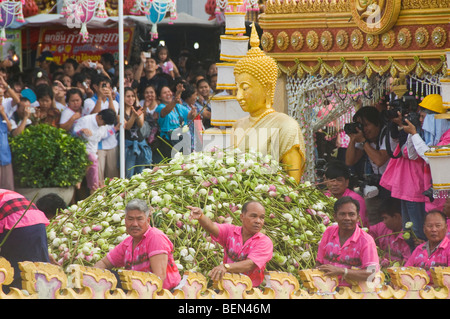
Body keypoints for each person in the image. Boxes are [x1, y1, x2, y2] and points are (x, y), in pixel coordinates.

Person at [231, 25, 306, 183]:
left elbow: (293, 183)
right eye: (236, 88)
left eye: (245, 88)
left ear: (266, 88)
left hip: (272, 201)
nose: (238, 96)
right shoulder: (238, 125)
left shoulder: (286, 126)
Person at [94, 198, 181, 290]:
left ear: (148, 221)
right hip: (138, 290)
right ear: (125, 221)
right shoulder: (128, 243)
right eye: (130, 219)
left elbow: (158, 279)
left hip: (163, 293)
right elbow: (104, 263)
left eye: (139, 219)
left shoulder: (155, 237)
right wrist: (92, 276)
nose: (135, 224)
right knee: (107, 277)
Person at [188, 201, 273, 287]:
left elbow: (250, 264)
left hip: (250, 289)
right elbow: (212, 227)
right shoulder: (230, 231)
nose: (258, 221)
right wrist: (201, 217)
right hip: (226, 285)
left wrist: (226, 267)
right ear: (242, 217)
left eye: (261, 218)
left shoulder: (264, 242)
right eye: (253, 216)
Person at [345, 105, 397, 225]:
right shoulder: (365, 139)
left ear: (377, 123)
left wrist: (363, 142)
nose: (364, 129)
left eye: (366, 125)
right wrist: (353, 139)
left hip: (393, 186)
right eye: (360, 126)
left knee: (390, 218)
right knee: (374, 218)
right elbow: (349, 161)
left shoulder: (388, 134)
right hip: (377, 184)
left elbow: (379, 160)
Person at [0, 189, 61, 289]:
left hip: (15, 225)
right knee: (38, 273)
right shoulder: (5, 192)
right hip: (37, 221)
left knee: (14, 276)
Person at [316, 196, 380, 287]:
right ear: (335, 217)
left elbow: (371, 275)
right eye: (342, 214)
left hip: (354, 292)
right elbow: (319, 262)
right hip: (327, 289)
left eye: (351, 214)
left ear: (358, 218)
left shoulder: (366, 241)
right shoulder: (329, 232)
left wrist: (342, 271)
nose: (347, 218)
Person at [82, 75, 119, 184]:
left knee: (112, 178)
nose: (106, 88)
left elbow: (113, 118)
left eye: (108, 86)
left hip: (112, 144)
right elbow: (94, 117)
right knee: (98, 178)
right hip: (96, 145)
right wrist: (99, 98)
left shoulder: (115, 102)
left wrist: (110, 98)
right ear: (95, 87)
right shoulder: (89, 101)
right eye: (103, 85)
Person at [73, 109, 117, 194]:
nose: (104, 125)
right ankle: (79, 179)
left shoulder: (103, 126)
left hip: (93, 153)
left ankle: (93, 201)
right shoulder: (85, 120)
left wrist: (115, 129)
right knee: (91, 159)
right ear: (100, 117)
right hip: (81, 151)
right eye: (104, 123)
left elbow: (104, 135)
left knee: (94, 184)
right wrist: (81, 131)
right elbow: (73, 134)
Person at [404, 210, 450, 284]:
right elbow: (405, 273)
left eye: (438, 226)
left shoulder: (448, 248)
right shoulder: (418, 249)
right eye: (429, 226)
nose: (434, 230)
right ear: (424, 229)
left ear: (446, 228)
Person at [154, 83, 197, 161]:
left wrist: (193, 112)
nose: (168, 94)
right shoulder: (160, 107)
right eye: (164, 93)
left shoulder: (178, 106)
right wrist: (175, 100)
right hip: (168, 144)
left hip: (182, 141)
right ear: (159, 97)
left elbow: (189, 115)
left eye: (169, 91)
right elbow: (165, 111)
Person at [324, 160, 368, 228]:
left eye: (339, 180)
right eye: (331, 180)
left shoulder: (356, 199)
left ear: (347, 182)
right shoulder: (323, 196)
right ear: (326, 181)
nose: (335, 184)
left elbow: (358, 225)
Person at [368, 197, 411, 264]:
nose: (384, 222)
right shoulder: (382, 227)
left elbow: (407, 263)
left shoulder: (408, 237)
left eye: (385, 218)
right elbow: (368, 234)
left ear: (396, 217)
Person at [123, 87, 152, 178]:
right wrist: (133, 116)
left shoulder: (139, 108)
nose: (131, 98)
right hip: (128, 146)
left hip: (140, 143)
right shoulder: (120, 111)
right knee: (128, 173)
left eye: (133, 96)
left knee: (140, 173)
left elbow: (140, 124)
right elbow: (127, 127)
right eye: (128, 96)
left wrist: (137, 115)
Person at [0, 103, 13, 190]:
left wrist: (3, 114)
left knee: (7, 190)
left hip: (5, 157)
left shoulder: (3, 114)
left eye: (1, 96)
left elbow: (10, 128)